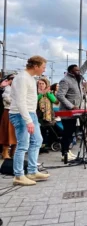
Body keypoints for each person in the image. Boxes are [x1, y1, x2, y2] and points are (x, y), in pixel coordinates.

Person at [9, 56, 50, 186]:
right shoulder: (22, 78)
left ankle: (32, 171)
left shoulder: (31, 78)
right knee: (23, 145)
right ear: (36, 66)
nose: (44, 69)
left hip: (30, 114)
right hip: (20, 115)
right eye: (43, 67)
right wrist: (28, 121)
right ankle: (18, 175)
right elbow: (20, 101)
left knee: (37, 140)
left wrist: (31, 118)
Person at [56, 52, 87, 162]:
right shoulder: (65, 80)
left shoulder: (78, 78)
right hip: (68, 112)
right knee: (67, 133)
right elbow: (59, 95)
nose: (79, 71)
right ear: (71, 71)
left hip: (76, 112)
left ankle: (68, 151)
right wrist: (71, 106)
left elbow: (83, 69)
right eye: (76, 70)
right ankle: (64, 153)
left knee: (72, 132)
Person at [37, 78, 60, 153]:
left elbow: (56, 102)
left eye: (42, 84)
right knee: (41, 131)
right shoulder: (36, 92)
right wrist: (41, 93)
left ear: (46, 85)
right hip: (39, 115)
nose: (41, 85)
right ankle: (41, 146)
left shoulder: (49, 92)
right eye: (39, 84)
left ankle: (47, 144)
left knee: (49, 129)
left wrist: (48, 94)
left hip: (48, 115)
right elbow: (35, 100)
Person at [0, 74, 16, 159]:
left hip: (17, 111)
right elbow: (8, 99)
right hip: (8, 111)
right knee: (7, 132)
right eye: (12, 79)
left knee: (16, 132)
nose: (13, 80)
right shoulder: (7, 89)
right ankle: (5, 151)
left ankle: (13, 151)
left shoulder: (19, 89)